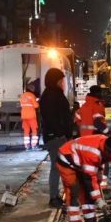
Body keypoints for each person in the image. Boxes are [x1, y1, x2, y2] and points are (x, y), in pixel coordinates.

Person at [56, 133, 111, 222]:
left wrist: (99, 174)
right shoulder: (93, 153)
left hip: (81, 161)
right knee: (74, 191)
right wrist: (99, 200)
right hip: (66, 159)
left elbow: (98, 165)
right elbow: (89, 181)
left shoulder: (105, 143)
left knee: (87, 194)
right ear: (106, 150)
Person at [39, 68, 72, 208]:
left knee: (57, 166)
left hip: (55, 136)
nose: (63, 83)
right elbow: (52, 118)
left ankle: (57, 195)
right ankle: (54, 197)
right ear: (56, 81)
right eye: (61, 80)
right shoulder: (52, 96)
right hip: (56, 137)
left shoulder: (50, 94)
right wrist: (61, 134)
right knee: (57, 167)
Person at [19, 80, 40, 150]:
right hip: (31, 116)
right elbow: (36, 106)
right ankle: (34, 145)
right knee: (34, 130)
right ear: (32, 89)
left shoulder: (22, 96)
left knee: (26, 130)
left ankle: (27, 146)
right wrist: (37, 101)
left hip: (24, 116)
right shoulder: (32, 95)